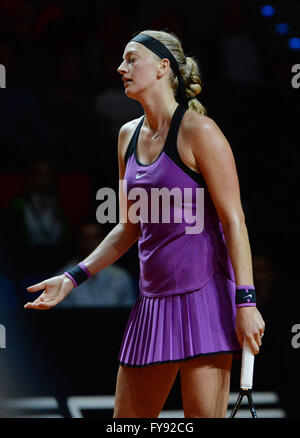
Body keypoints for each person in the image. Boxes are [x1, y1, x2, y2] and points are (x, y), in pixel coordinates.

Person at [24, 29, 265, 418]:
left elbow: (234, 221)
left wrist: (246, 301)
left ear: (162, 67)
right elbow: (128, 227)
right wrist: (72, 277)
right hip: (151, 306)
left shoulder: (200, 131)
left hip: (205, 300)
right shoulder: (126, 136)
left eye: (131, 58)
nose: (121, 68)